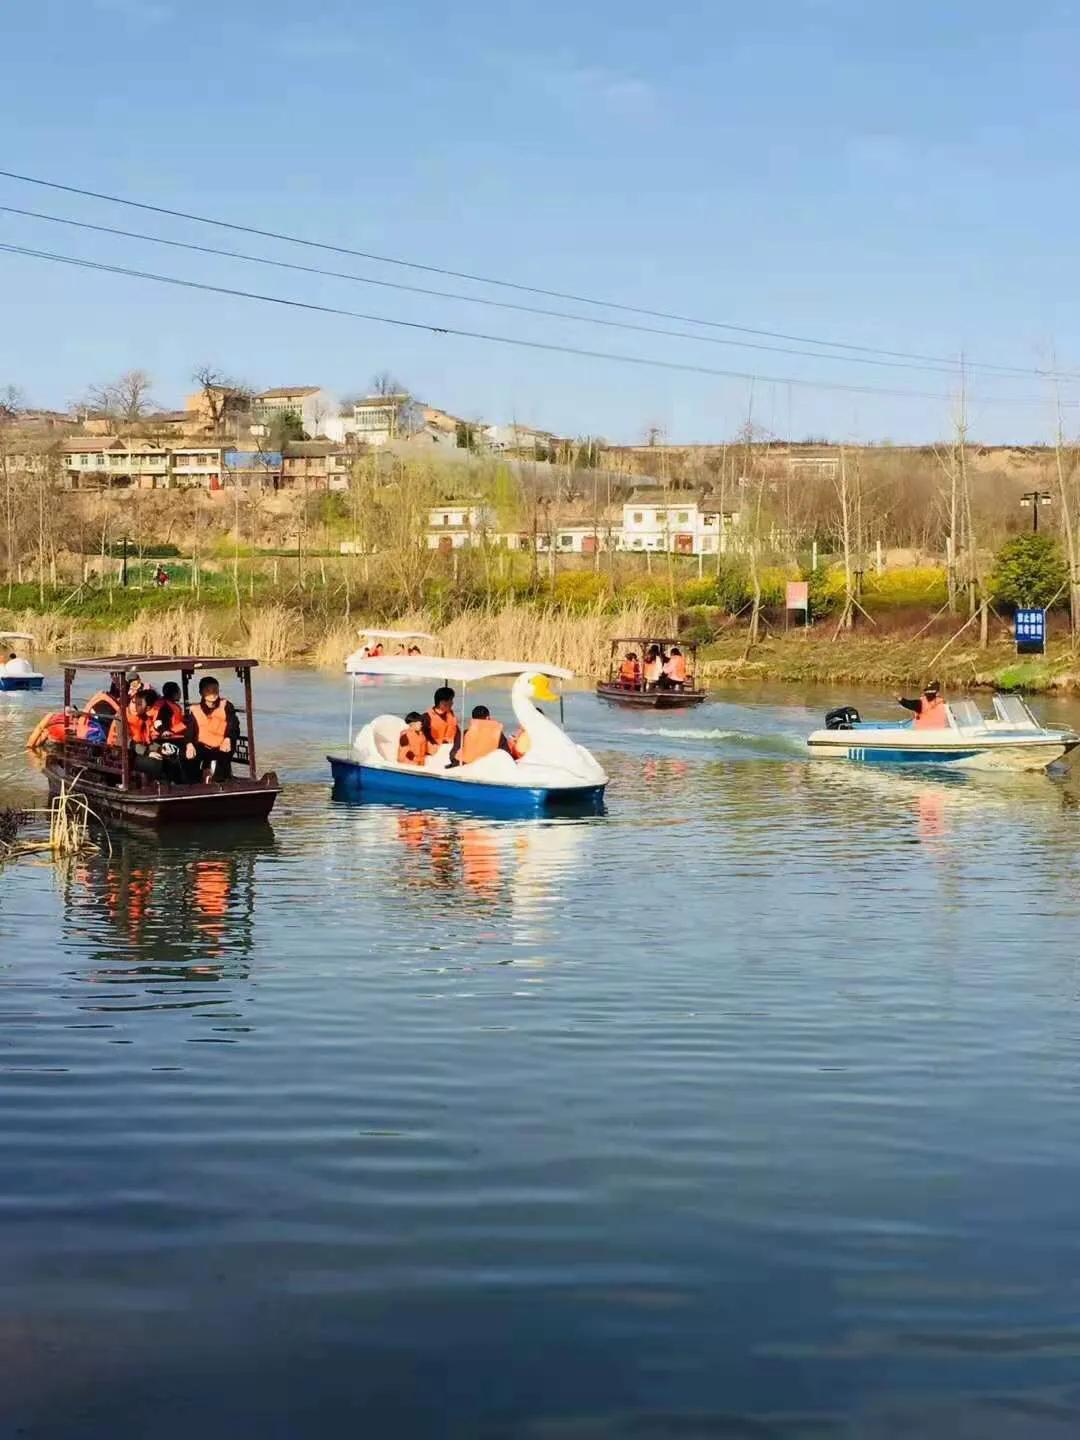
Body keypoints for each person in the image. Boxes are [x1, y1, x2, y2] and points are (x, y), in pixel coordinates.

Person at [185, 676, 240, 782]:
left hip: (222, 746)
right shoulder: (195, 710)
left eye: (215, 690)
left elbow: (233, 724)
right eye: (208, 690)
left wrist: (228, 738)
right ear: (201, 692)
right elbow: (190, 731)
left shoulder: (226, 706)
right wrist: (189, 744)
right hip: (202, 747)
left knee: (219, 768)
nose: (212, 693)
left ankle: (220, 780)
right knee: (184, 758)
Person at [421, 686, 458, 751]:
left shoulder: (451, 713)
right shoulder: (426, 717)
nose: (452, 703)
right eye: (450, 700)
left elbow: (456, 730)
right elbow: (423, 738)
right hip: (436, 751)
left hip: (451, 748)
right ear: (442, 702)